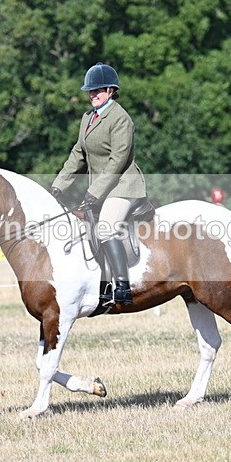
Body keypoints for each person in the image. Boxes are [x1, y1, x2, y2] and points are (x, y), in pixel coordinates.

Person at [50, 63, 147, 306]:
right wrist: (58, 185)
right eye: (90, 91)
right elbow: (77, 154)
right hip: (102, 188)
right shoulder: (87, 118)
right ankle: (102, 285)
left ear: (111, 91)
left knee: (105, 228)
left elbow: (117, 160)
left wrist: (94, 192)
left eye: (98, 91)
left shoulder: (121, 119)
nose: (93, 95)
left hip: (124, 186)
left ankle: (123, 287)